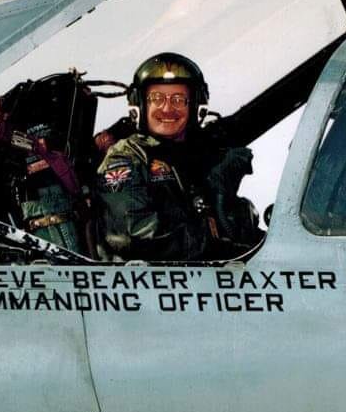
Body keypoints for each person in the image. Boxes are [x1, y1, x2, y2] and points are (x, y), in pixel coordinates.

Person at [95, 53, 262, 261]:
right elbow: (134, 233)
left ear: (195, 105)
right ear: (140, 105)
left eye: (178, 99)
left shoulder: (204, 156)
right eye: (157, 99)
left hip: (209, 275)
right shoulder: (126, 158)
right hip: (147, 279)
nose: (167, 108)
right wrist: (214, 246)